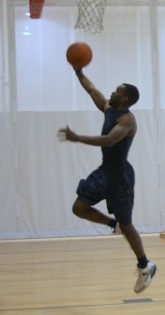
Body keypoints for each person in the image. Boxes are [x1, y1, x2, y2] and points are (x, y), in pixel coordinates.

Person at [58, 68, 157, 294]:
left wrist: (78, 138)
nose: (112, 92)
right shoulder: (109, 108)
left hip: (120, 176)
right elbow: (92, 90)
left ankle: (145, 266)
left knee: (127, 224)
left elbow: (109, 140)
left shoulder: (127, 119)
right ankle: (112, 226)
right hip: (105, 171)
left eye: (117, 91)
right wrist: (78, 70)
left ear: (126, 98)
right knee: (79, 207)